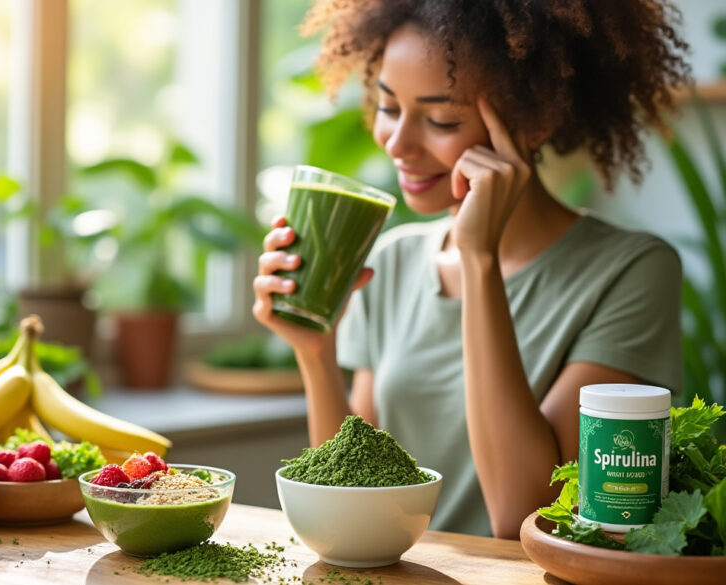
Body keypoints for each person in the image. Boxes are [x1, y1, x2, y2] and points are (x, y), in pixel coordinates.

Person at [252, 0, 692, 538]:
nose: (398, 142)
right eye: (389, 107)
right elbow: (350, 504)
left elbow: (525, 512)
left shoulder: (630, 271)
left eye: (441, 119)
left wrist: (479, 259)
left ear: (535, 121)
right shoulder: (391, 262)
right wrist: (315, 353)